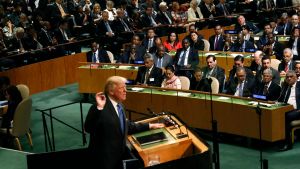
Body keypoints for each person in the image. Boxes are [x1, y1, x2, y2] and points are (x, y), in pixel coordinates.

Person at [84, 76, 164, 169]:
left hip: (119, 157)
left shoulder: (120, 105)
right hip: (104, 161)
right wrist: (99, 108)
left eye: (125, 88)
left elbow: (126, 126)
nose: (125, 91)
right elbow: (88, 128)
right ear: (111, 91)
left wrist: (150, 125)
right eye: (122, 88)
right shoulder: (99, 107)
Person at [277, 71, 300, 151]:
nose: (289, 78)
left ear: (295, 78)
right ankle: (277, 138)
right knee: (276, 114)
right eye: (287, 77)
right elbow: (281, 98)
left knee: (285, 116)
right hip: (284, 108)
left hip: (297, 110)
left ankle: (288, 143)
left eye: (291, 77)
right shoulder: (285, 85)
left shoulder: (299, 85)